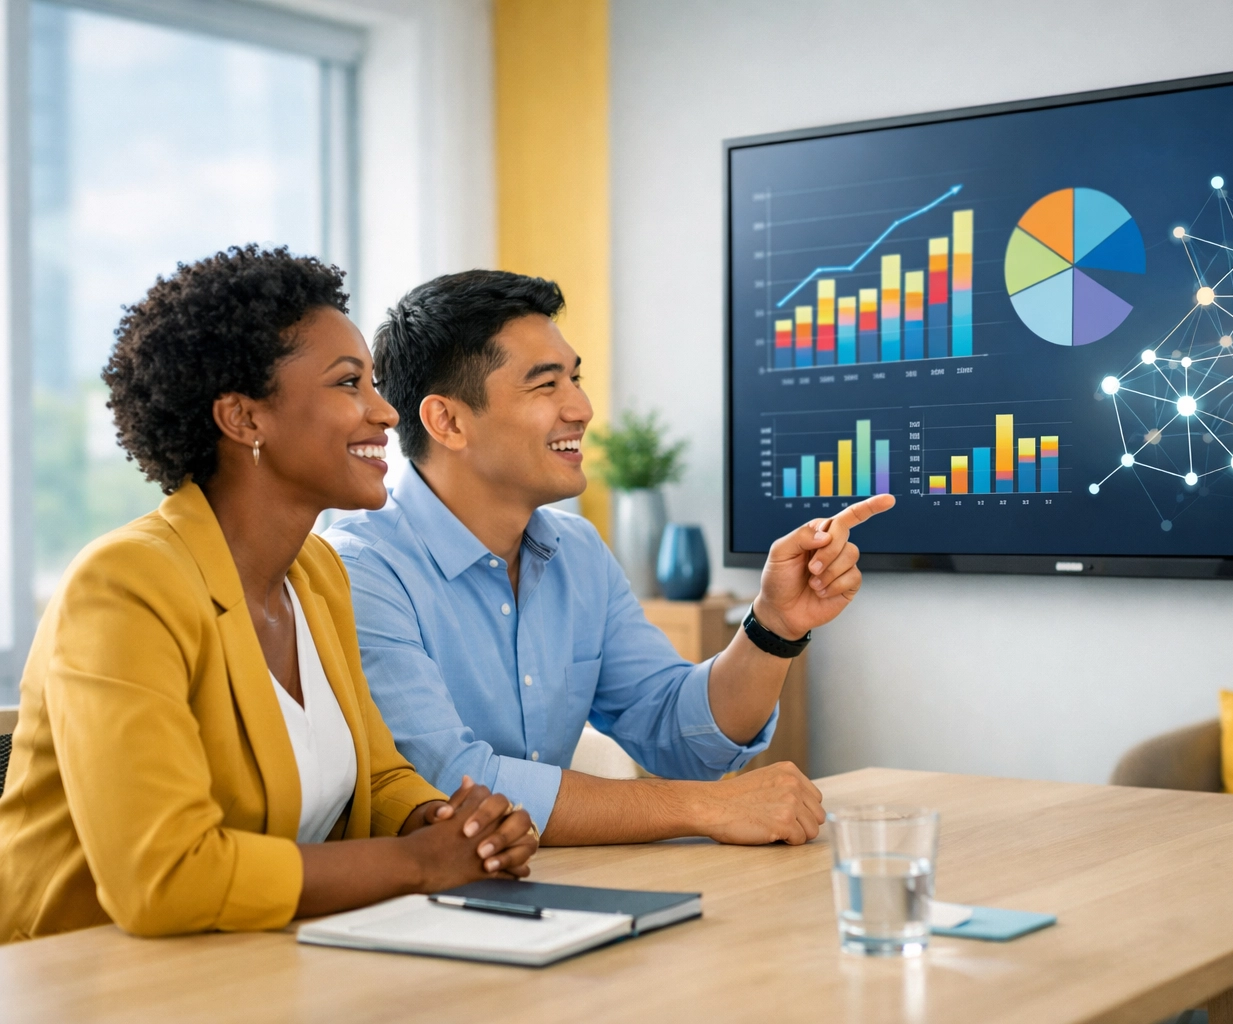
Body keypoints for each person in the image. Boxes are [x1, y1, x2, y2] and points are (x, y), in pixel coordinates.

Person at [0, 247, 538, 943]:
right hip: (91, 985)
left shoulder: (316, 574)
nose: (384, 412)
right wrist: (417, 864)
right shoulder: (124, 587)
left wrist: (452, 827)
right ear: (244, 419)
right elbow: (164, 879)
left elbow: (378, 775)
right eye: (349, 385)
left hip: (262, 965)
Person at [325, 270, 893, 847]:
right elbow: (452, 788)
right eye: (546, 385)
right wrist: (704, 807)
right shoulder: (359, 571)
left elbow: (681, 734)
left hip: (550, 893)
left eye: (575, 378)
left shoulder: (578, 553)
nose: (582, 407)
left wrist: (774, 625)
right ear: (447, 421)